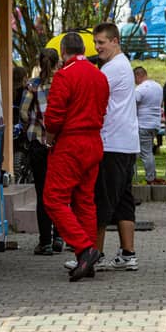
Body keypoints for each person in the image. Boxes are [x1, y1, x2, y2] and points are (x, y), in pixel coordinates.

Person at [43, 32, 110, 282]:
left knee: (54, 198)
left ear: (63, 52)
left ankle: (85, 249)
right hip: (93, 141)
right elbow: (103, 109)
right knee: (85, 201)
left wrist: (50, 138)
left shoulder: (64, 75)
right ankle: (87, 260)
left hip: (70, 144)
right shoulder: (99, 76)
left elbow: (54, 117)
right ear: (83, 49)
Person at [88, 22, 140, 273]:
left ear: (115, 41)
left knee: (102, 199)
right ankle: (128, 253)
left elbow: (90, 92)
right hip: (126, 143)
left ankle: (93, 255)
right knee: (123, 201)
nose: (97, 47)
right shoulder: (122, 64)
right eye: (96, 43)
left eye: (101, 42)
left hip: (112, 144)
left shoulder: (112, 69)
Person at [20, 49, 63, 255]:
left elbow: (23, 112)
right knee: (61, 191)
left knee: (42, 192)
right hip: (60, 144)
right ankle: (59, 237)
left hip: (38, 143)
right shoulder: (64, 83)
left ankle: (45, 242)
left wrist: (34, 122)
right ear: (57, 63)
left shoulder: (33, 86)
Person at [134, 66, 164, 184]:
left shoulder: (140, 89)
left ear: (138, 76)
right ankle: (152, 176)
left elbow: (133, 105)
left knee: (144, 153)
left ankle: (150, 177)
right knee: (148, 151)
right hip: (155, 124)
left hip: (143, 123)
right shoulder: (158, 87)